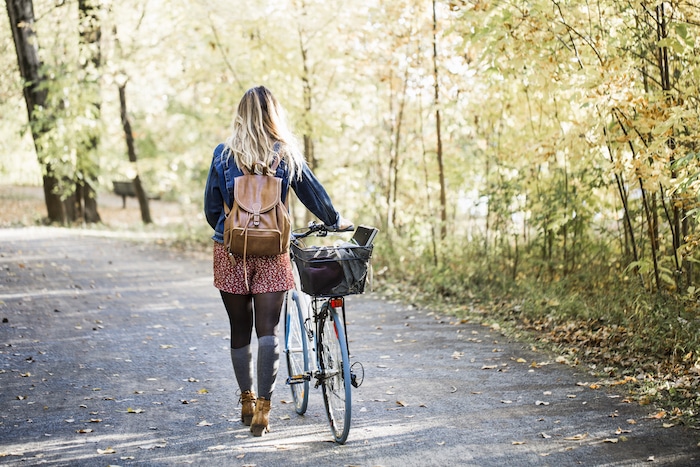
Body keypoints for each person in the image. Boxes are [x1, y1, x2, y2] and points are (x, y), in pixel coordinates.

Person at [204, 85, 351, 437]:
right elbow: (312, 193)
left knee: (240, 330)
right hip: (273, 251)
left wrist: (231, 231)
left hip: (231, 252)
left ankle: (246, 399)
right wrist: (333, 221)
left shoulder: (224, 154)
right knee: (267, 331)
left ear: (241, 114)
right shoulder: (284, 154)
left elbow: (211, 209)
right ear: (273, 115)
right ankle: (264, 411)